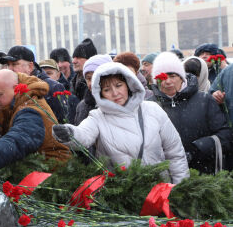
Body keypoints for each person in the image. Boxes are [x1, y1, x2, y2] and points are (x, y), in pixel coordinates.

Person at [52, 62, 189, 184]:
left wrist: (179, 190)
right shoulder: (97, 117)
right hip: (121, 196)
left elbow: (175, 153)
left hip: (158, 194)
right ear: (100, 93)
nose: (115, 93)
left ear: (128, 85)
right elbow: (83, 135)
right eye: (107, 90)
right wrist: (69, 133)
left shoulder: (152, 110)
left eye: (119, 85)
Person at [0, 70, 70, 172]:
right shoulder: (18, 104)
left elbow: (16, 141)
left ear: (16, 89)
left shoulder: (31, 110)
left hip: (53, 173)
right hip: (41, 169)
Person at [150, 52, 231, 173]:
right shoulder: (149, 106)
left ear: (182, 77)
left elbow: (225, 136)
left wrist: (197, 149)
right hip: (165, 176)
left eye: (172, 76)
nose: (167, 81)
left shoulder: (204, 100)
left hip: (203, 176)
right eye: (162, 77)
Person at [0, 46, 71, 123]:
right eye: (8, 65)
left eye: (14, 64)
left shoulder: (52, 87)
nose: (10, 69)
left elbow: (63, 123)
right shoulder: (10, 88)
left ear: (30, 66)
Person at [74, 54, 112, 125]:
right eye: (89, 78)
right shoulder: (82, 107)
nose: (92, 83)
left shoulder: (120, 102)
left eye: (96, 76)